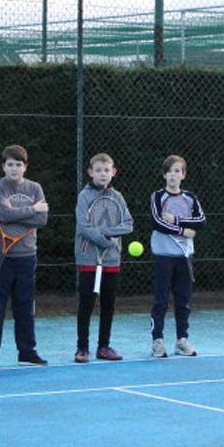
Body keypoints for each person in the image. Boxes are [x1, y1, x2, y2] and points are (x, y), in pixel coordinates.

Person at [0, 145, 49, 368]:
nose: (14, 168)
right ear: (4, 166)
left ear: (25, 167)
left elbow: (42, 220)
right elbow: (4, 214)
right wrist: (32, 209)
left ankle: (27, 352)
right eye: (10, 164)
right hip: (0, 256)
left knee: (26, 307)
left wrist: (20, 214)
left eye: (18, 164)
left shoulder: (35, 188)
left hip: (27, 256)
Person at [74, 153, 134, 363]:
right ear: (91, 172)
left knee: (109, 303)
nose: (102, 174)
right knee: (87, 303)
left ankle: (104, 346)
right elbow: (83, 225)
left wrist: (109, 237)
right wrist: (104, 239)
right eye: (98, 170)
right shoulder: (84, 196)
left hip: (111, 259)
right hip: (88, 258)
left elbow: (128, 224)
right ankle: (82, 348)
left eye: (106, 170)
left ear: (113, 173)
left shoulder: (118, 197)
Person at [150, 155, 206, 358]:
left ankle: (181, 341)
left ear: (183, 175)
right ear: (164, 175)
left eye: (177, 171)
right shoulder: (157, 196)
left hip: (185, 257)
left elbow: (200, 221)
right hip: (164, 256)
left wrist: (176, 219)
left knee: (183, 301)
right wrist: (184, 230)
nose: (173, 175)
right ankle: (157, 341)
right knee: (161, 301)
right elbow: (157, 222)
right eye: (170, 171)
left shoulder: (190, 198)